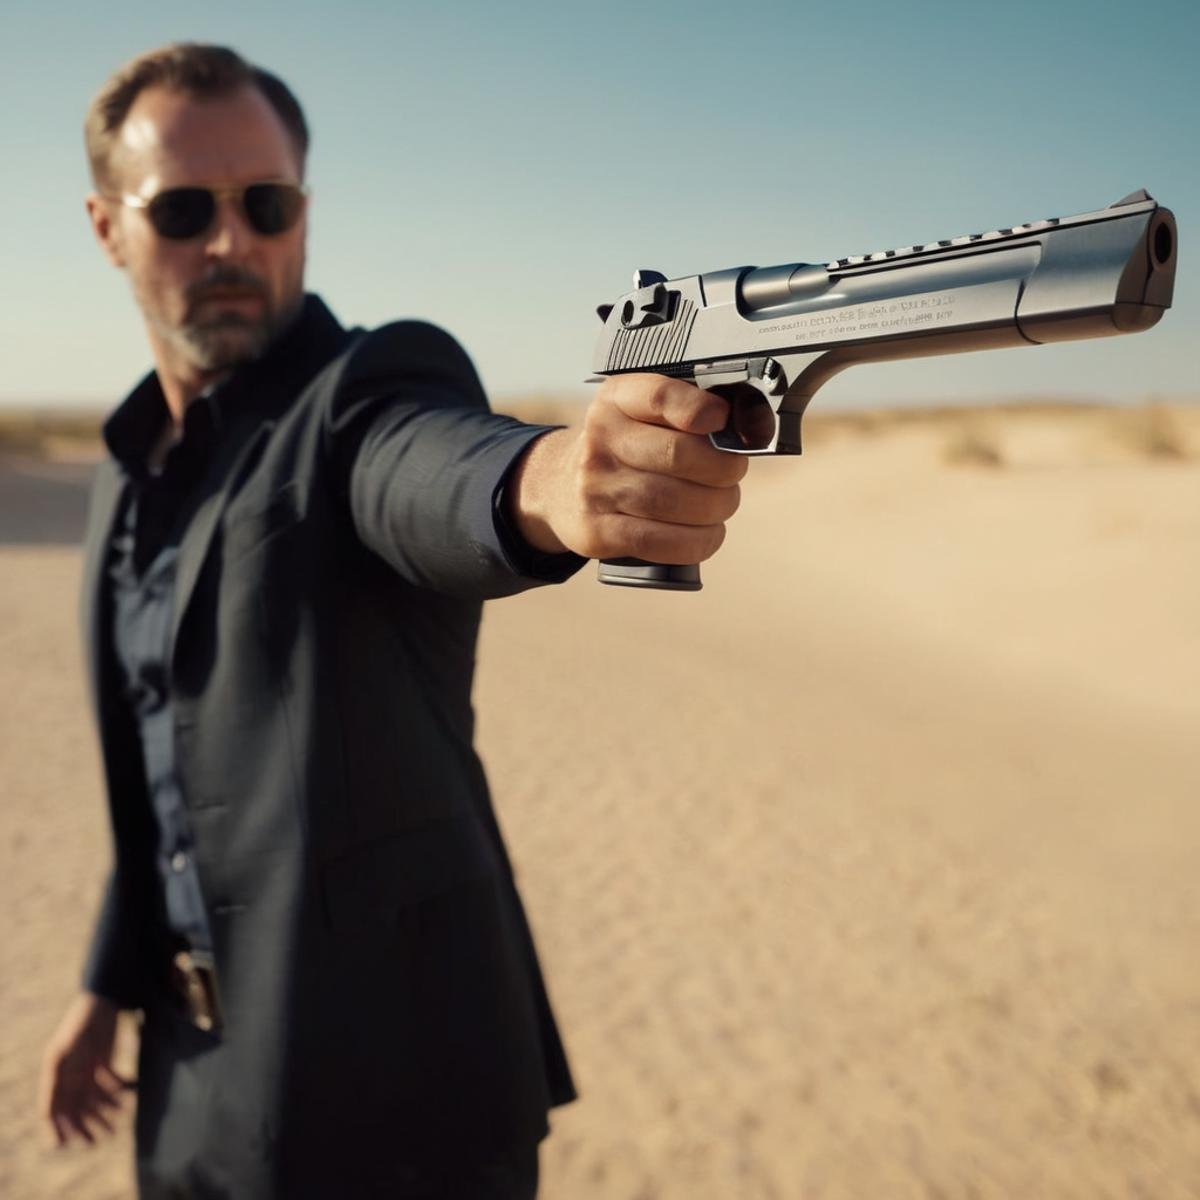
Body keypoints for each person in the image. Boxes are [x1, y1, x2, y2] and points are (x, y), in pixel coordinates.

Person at [37, 43, 748, 1199]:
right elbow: (158, 780)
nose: (232, 243)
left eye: (265, 205)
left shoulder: (366, 394)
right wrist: (105, 986)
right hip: (187, 1088)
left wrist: (561, 483)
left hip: (398, 1113)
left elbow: (432, 471)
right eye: (181, 209)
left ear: (303, 215)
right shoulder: (124, 471)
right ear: (108, 227)